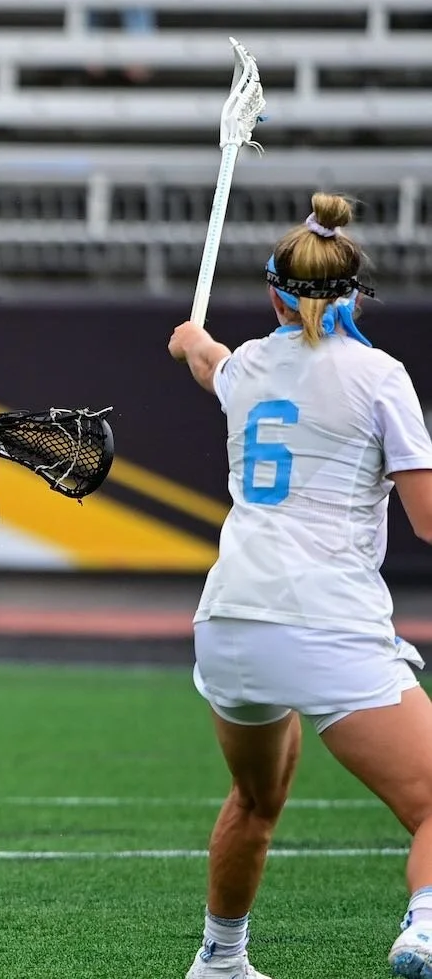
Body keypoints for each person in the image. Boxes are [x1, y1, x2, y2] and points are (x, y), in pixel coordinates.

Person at [167, 194, 432, 979]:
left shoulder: (248, 364)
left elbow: (212, 364)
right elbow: (427, 520)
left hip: (230, 622)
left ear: (276, 294)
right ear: (356, 296)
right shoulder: (380, 376)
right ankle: (425, 926)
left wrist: (192, 343)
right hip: (325, 621)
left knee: (254, 799)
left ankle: (221, 959)